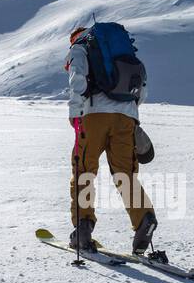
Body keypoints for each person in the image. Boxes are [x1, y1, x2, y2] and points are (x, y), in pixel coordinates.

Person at [66, 26, 157, 252]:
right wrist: (128, 113)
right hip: (126, 117)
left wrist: (75, 113)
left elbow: (78, 79)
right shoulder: (123, 52)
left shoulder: (80, 47)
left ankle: (83, 229)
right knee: (125, 173)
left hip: (93, 115)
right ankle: (144, 219)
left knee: (83, 170)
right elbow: (141, 90)